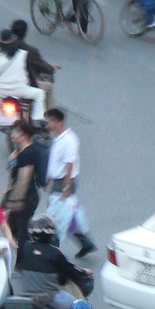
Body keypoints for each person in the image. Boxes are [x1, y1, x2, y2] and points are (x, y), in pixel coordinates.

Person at [45, 107, 96, 258]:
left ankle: (53, 249)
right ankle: (86, 243)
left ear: (59, 122)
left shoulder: (69, 140)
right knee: (67, 216)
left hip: (64, 183)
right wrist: (49, 177)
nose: (48, 125)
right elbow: (57, 162)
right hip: (57, 181)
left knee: (56, 217)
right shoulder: (58, 138)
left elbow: (69, 164)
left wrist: (66, 187)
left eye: (50, 121)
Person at [11, 215, 91, 309]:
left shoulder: (24, 249)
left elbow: (17, 270)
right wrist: (84, 272)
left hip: (23, 295)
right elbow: (71, 271)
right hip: (50, 297)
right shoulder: (55, 252)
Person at [0, 29, 46, 125]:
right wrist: (35, 86)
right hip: (20, 90)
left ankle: (2, 121)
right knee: (39, 94)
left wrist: (0, 86)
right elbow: (30, 75)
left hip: (2, 90)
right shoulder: (23, 55)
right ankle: (38, 119)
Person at [3, 119, 42, 247]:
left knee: (21, 233)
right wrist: (12, 159)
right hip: (25, 197)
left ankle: (24, 260)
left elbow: (24, 178)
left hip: (26, 198)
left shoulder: (27, 153)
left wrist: (16, 200)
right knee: (12, 228)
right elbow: (13, 172)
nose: (12, 135)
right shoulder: (21, 152)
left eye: (15, 132)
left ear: (23, 134)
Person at [9, 19, 58, 109]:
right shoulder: (30, 51)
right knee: (49, 86)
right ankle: (52, 117)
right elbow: (43, 67)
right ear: (25, 33)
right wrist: (51, 68)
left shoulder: (2, 50)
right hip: (23, 89)